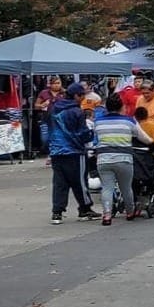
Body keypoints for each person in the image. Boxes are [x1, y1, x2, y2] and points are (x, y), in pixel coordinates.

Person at [92, 93, 154, 226]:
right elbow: (144, 138)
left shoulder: (98, 122)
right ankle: (130, 212)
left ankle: (107, 215)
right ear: (122, 107)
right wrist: (152, 144)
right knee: (126, 187)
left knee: (107, 188)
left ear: (107, 108)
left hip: (103, 159)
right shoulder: (129, 121)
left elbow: (94, 139)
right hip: (124, 159)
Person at [48, 82, 98, 224]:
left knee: (59, 183)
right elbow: (82, 134)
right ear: (76, 96)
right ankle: (85, 209)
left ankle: (57, 213)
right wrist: (90, 133)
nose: (83, 98)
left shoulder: (54, 108)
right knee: (80, 182)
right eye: (82, 95)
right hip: (74, 151)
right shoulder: (77, 112)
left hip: (56, 151)